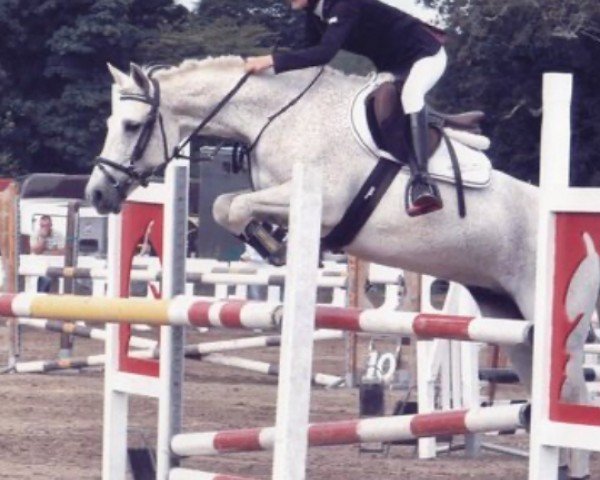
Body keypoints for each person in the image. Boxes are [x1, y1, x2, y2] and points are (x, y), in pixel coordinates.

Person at [244, 0, 447, 216]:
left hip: (424, 56)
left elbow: (324, 54)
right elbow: (308, 57)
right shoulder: (314, 15)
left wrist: (271, 60)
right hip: (392, 68)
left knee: (411, 95)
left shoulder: (345, 4)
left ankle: (423, 182)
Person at [30, 215, 65, 292]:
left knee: (54, 284)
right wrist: (43, 239)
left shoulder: (58, 234)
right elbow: (36, 251)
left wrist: (44, 252)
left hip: (55, 265)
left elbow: (62, 252)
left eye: (47, 225)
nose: (45, 228)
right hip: (40, 266)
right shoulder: (35, 234)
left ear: (51, 225)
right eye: (42, 226)